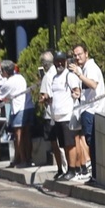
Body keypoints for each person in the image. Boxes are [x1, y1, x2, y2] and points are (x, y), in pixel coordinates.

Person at [42, 51, 83, 181]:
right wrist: (47, 99)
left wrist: (76, 94)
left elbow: (77, 91)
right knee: (63, 145)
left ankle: (73, 169)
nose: (59, 63)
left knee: (70, 144)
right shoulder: (54, 78)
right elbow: (54, 96)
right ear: (54, 63)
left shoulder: (69, 76)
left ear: (65, 62)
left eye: (62, 61)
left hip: (67, 116)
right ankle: (68, 170)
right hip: (57, 116)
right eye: (57, 61)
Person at [71, 44, 104, 180]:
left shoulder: (90, 67)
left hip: (93, 110)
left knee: (92, 143)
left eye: (80, 54)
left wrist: (79, 74)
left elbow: (93, 84)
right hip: (86, 109)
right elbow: (87, 89)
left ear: (86, 53)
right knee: (90, 143)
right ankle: (94, 174)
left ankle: (95, 173)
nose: (77, 57)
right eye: (75, 55)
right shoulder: (85, 68)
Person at [0, 60, 34, 167]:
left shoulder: (9, 82)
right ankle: (24, 158)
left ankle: (24, 160)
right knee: (27, 135)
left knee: (18, 135)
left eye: (1, 70)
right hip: (28, 107)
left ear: (5, 71)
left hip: (18, 109)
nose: (0, 72)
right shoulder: (19, 77)